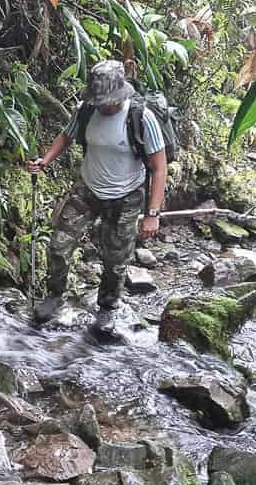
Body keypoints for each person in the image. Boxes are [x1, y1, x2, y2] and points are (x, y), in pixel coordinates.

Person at [27, 60, 167, 334]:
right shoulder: (86, 111)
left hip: (126, 196)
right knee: (58, 245)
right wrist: (45, 161)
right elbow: (66, 136)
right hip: (88, 190)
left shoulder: (140, 117)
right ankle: (54, 295)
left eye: (107, 101)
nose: (103, 106)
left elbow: (159, 167)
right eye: (99, 100)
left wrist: (152, 214)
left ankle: (107, 307)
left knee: (115, 261)